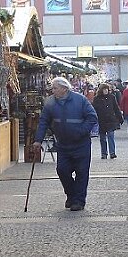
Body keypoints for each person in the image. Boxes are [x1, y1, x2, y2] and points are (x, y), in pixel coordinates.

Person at [33, 77, 98, 211]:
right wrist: (38, 140)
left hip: (81, 144)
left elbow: (92, 117)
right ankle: (71, 195)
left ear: (64, 88)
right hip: (63, 144)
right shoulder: (50, 102)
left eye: (55, 88)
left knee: (81, 173)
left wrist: (81, 131)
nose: (53, 90)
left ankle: (78, 201)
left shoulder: (80, 100)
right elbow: (44, 121)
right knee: (62, 170)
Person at [92, 83, 123, 159]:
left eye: (107, 89)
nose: (106, 91)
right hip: (101, 120)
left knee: (111, 136)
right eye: (104, 89)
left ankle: (112, 153)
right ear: (101, 90)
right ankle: (104, 153)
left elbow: (116, 108)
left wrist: (120, 118)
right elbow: (94, 110)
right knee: (102, 138)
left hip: (111, 120)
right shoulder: (96, 99)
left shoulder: (112, 97)